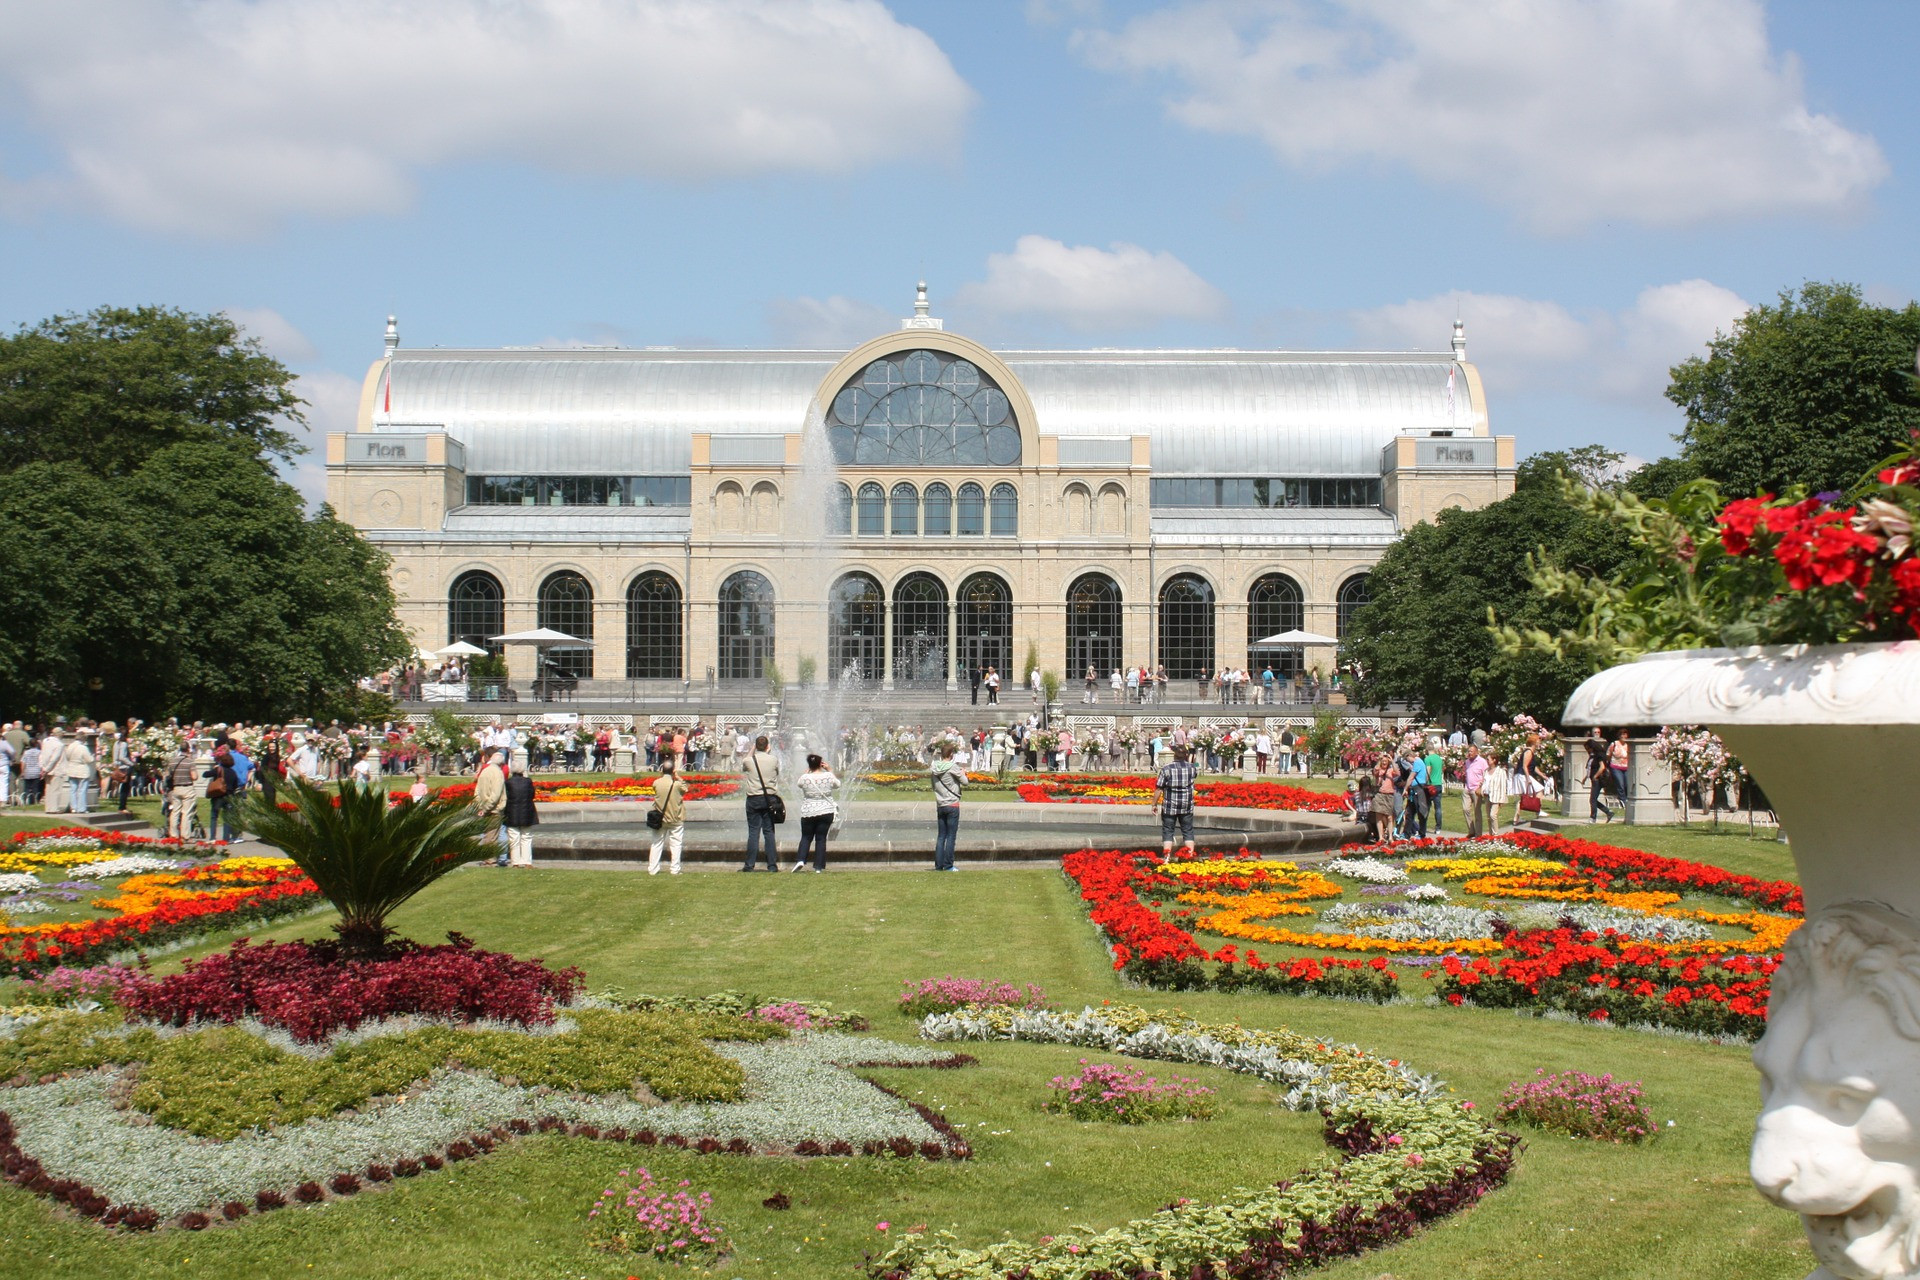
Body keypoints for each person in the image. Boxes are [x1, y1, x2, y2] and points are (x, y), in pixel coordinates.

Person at [740, 734, 781, 871]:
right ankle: (772, 865)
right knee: (769, 832)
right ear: (768, 746)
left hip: (754, 798)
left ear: (756, 746)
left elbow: (744, 763)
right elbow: (777, 772)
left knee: (753, 832)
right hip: (770, 799)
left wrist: (752, 750)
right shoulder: (774, 759)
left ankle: (749, 865)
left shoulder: (749, 760)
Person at [793, 753, 839, 872]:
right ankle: (818, 867)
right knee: (821, 839)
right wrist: (830, 770)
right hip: (826, 811)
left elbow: (799, 784)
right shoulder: (828, 776)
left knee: (806, 837)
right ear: (820, 764)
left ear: (809, 765)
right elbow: (837, 784)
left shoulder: (805, 778)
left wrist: (806, 772)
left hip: (809, 811)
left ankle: (800, 860)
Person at [1152, 746, 1197, 859]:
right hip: (1186, 804)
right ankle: (1190, 856)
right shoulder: (1192, 768)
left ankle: (1167, 857)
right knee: (1188, 831)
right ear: (1186, 755)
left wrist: (1154, 804)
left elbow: (1159, 788)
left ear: (1174, 755)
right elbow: (1194, 776)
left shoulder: (1166, 769)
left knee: (1168, 831)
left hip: (1170, 805)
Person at [648, 758, 687, 874]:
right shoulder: (677, 784)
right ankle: (675, 869)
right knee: (676, 844)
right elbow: (685, 789)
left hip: (660, 818)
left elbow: (656, 789)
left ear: (662, 770)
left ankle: (653, 869)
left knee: (656, 843)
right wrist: (678, 777)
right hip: (676, 818)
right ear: (673, 770)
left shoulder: (657, 783)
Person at [930, 742, 965, 871]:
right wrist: (963, 773)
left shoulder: (934, 767)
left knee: (941, 836)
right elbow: (965, 782)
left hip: (941, 804)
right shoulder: (953, 767)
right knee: (951, 836)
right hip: (952, 804)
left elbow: (933, 785)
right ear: (950, 754)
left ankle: (939, 865)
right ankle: (948, 865)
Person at [472, 749, 508, 864]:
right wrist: (486, 808)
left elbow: (477, 791)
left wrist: (479, 806)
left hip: (484, 806)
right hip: (493, 809)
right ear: (501, 763)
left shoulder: (485, 771)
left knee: (487, 835)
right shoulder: (498, 773)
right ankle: (490, 860)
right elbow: (495, 794)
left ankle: (486, 858)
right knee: (492, 836)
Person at [502, 762, 539, 866]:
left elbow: (505, 797)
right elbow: (532, 795)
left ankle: (515, 862)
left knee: (514, 838)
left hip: (512, 812)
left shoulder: (508, 782)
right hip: (527, 812)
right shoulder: (528, 781)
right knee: (526, 837)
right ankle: (527, 862)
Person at [165, 745, 199, 839]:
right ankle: (185, 835)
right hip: (187, 788)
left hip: (176, 788)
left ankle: (173, 834)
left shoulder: (173, 761)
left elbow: (167, 775)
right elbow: (194, 777)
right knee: (186, 812)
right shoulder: (190, 761)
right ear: (188, 749)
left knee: (175, 812)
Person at [1583, 727, 1615, 822]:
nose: (1587, 751)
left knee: (1592, 799)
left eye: (1588, 748)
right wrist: (1585, 778)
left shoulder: (1599, 755)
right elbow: (1590, 768)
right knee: (1593, 799)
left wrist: (1595, 776)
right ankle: (1608, 812)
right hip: (1594, 779)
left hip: (1598, 779)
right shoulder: (1592, 756)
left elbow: (1602, 767)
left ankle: (1593, 817)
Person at [63, 726, 98, 816]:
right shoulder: (83, 748)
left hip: (71, 768)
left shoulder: (70, 746)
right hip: (82, 770)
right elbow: (89, 759)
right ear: (83, 739)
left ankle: (73, 808)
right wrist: (93, 757)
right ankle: (81, 808)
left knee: (73, 789)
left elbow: (67, 757)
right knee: (82, 790)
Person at [1464, 745, 1491, 837]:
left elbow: (1486, 775)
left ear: (1476, 752)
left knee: (1477, 811)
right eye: (1469, 751)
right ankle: (1471, 830)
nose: (1469, 753)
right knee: (1465, 809)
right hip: (1467, 788)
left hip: (1476, 789)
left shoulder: (1482, 762)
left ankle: (1478, 834)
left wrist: (1481, 787)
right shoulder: (1467, 762)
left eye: (1471, 751)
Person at [1422, 740, 1447, 832]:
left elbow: (1428, 771)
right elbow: (1442, 769)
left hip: (1430, 785)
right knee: (1438, 807)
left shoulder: (1427, 759)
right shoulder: (1439, 759)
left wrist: (1424, 782)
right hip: (1438, 784)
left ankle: (1423, 826)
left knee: (1426, 806)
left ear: (1426, 749)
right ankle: (1438, 828)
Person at [1607, 730, 1631, 816]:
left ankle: (1628, 799)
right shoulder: (1614, 744)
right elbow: (1608, 755)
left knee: (1627, 784)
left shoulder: (1629, 744)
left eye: (1625, 734)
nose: (1623, 736)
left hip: (1627, 767)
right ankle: (1623, 800)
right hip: (1616, 767)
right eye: (1621, 734)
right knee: (1620, 784)